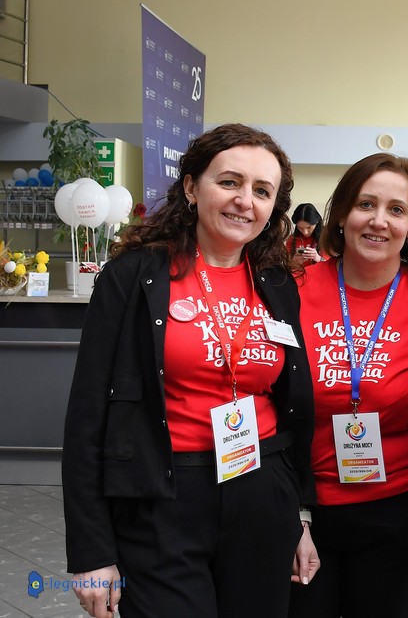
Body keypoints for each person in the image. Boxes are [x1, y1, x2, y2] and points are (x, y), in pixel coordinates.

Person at [62, 124, 319, 618]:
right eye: (229, 182)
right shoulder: (132, 277)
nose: (244, 200)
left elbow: (293, 404)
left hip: (261, 491)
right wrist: (91, 551)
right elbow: (87, 415)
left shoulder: (277, 283)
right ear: (191, 187)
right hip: (162, 496)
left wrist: (299, 516)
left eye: (261, 191)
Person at [289, 153, 408, 617]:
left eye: (396, 210)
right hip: (306, 509)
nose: (379, 221)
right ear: (341, 216)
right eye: (365, 204)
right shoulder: (292, 288)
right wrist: (292, 514)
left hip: (403, 512)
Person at [287, 202, 325, 266]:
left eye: (308, 227)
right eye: (300, 227)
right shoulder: (292, 239)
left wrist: (318, 258)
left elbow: (334, 265)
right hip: (298, 271)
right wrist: (293, 261)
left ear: (317, 222)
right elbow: (285, 264)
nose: (305, 232)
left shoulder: (326, 238)